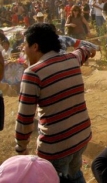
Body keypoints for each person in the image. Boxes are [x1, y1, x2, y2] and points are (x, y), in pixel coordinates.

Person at [15, 23, 96, 182]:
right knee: (74, 173)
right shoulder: (73, 58)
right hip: (82, 137)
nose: (23, 50)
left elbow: (25, 119)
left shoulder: (33, 74)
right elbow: (84, 50)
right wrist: (90, 51)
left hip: (56, 146)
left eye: (25, 45)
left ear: (35, 47)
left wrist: (21, 147)